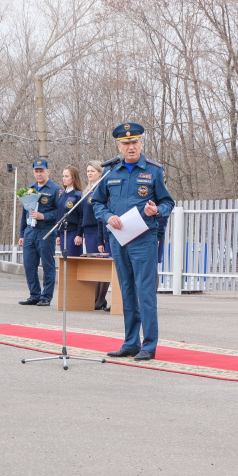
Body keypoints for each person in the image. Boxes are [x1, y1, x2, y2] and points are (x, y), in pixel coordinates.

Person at [92, 122, 175, 361]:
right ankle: (130, 342)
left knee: (145, 293)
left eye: (135, 142)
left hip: (143, 238)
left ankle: (149, 345)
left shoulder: (153, 171)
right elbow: (97, 203)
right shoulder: (111, 173)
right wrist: (108, 216)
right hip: (119, 239)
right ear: (118, 146)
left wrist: (156, 210)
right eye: (126, 143)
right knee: (126, 291)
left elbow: (168, 203)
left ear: (141, 143)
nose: (131, 147)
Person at [18, 158, 61, 306]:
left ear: (48, 171)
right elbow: (24, 213)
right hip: (30, 231)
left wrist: (44, 216)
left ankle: (46, 297)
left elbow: (61, 212)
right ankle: (34, 294)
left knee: (48, 265)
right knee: (29, 265)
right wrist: (22, 234)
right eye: (36, 171)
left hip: (46, 231)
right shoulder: (30, 189)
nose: (39, 174)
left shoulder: (55, 190)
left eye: (41, 171)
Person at [77, 160, 111, 310]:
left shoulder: (102, 189)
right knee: (94, 266)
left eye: (92, 171)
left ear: (100, 173)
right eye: (88, 171)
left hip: (98, 230)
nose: (89, 173)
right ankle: (95, 298)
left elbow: (101, 215)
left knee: (101, 266)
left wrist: (101, 236)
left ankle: (100, 299)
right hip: (88, 231)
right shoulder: (87, 190)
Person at [55, 166, 84, 257]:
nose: (64, 178)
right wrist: (58, 234)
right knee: (64, 261)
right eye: (63, 176)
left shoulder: (78, 195)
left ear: (73, 177)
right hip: (63, 232)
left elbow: (81, 216)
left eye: (66, 176)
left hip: (73, 232)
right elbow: (59, 215)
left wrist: (79, 234)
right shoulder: (63, 194)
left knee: (72, 260)